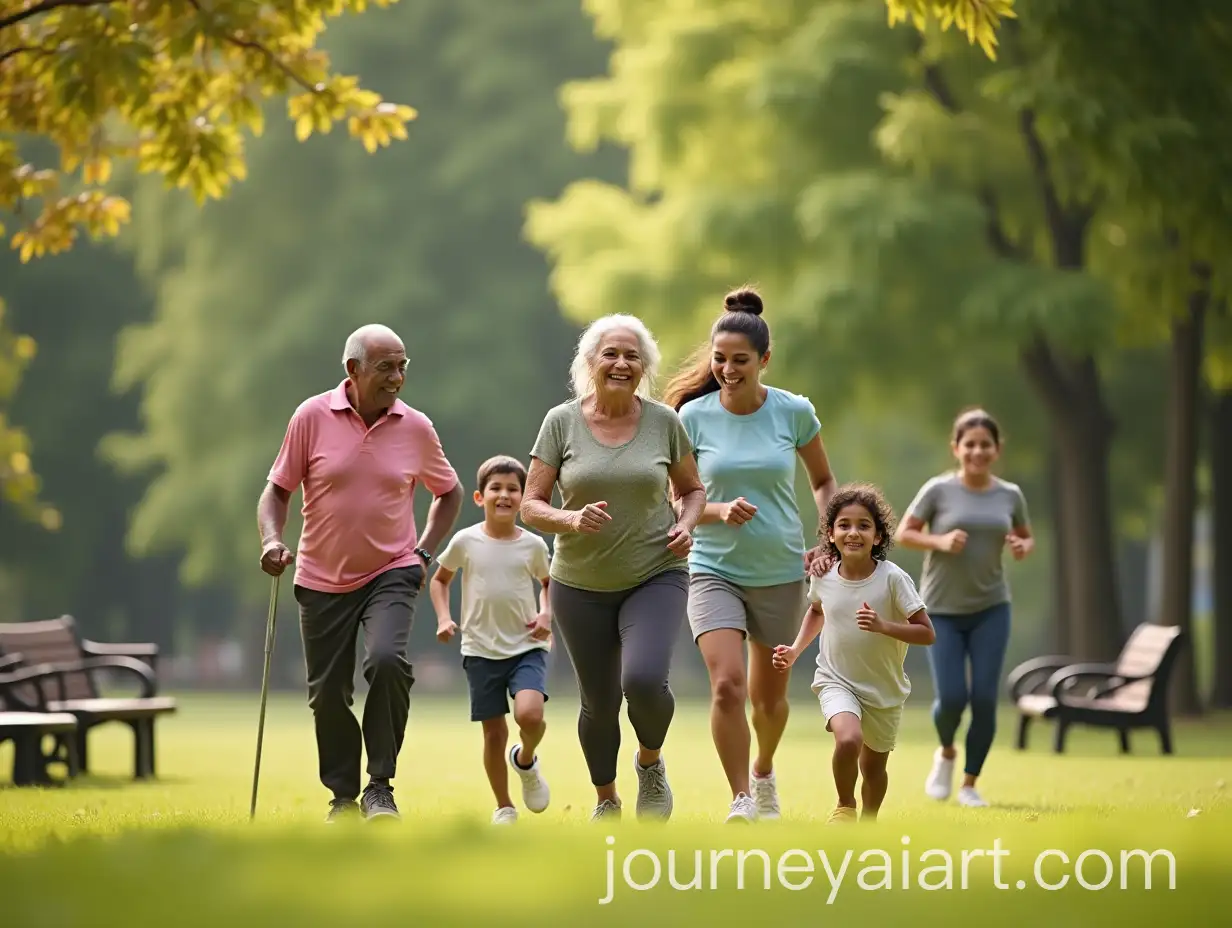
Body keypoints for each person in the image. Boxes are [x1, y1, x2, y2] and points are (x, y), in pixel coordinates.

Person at [257, 323, 464, 823]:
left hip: (391, 569)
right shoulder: (311, 416)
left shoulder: (416, 427)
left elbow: (449, 491)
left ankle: (380, 786)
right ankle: (343, 796)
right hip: (319, 576)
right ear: (353, 370)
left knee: (388, 662)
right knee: (328, 694)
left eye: (402, 366)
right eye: (385, 367)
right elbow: (277, 491)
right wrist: (271, 540)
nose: (397, 377)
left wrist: (422, 552)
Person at [520, 313, 707, 823]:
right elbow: (530, 504)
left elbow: (691, 490)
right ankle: (606, 799)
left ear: (643, 367)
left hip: (656, 572)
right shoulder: (561, 422)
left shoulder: (664, 422)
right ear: (590, 364)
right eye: (611, 354)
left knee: (644, 680)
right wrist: (571, 519)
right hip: (579, 584)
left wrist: (687, 524)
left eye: (632, 356)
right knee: (598, 704)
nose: (622, 363)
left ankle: (650, 764)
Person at [662, 288, 837, 824]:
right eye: (719, 359)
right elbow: (676, 498)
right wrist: (713, 512)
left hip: (781, 570)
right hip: (712, 567)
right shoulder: (692, 418)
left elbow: (825, 480)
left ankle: (763, 771)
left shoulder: (794, 411)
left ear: (764, 359)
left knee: (768, 702)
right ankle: (740, 796)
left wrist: (828, 538)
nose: (727, 370)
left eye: (740, 361)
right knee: (727, 685)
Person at [895, 407, 1033, 808]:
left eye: (984, 445)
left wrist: (1023, 547)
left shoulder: (1010, 495)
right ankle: (947, 752)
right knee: (952, 697)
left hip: (992, 606)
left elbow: (1025, 537)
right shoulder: (938, 490)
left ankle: (970, 784)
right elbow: (905, 533)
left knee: (986, 699)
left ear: (996, 449)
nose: (977, 451)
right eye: (969, 444)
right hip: (941, 609)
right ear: (956, 448)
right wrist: (939, 542)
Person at [773, 483, 935, 824]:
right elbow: (817, 611)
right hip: (836, 678)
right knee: (848, 740)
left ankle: (868, 823)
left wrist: (883, 626)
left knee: (874, 768)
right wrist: (795, 649)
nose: (853, 532)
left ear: (878, 536)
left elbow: (927, 632)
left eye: (864, 525)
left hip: (884, 689)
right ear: (830, 534)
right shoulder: (824, 575)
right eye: (844, 525)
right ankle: (845, 806)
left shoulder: (893, 579)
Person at [429, 455, 554, 825]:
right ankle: (504, 806)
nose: (504, 495)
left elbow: (548, 585)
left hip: (526, 646)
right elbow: (439, 580)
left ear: (522, 496)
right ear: (480, 498)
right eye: (496, 488)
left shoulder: (532, 545)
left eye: (513, 489)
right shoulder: (465, 541)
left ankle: (526, 759)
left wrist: (547, 613)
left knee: (530, 715)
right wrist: (444, 617)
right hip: (480, 650)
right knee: (494, 734)